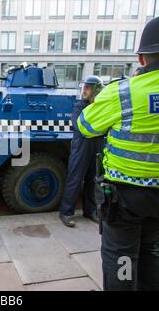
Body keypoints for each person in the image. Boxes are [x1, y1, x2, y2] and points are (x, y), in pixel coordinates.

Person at [77, 14, 159, 291]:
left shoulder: (122, 92)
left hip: (127, 197)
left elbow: (85, 127)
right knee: (151, 248)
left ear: (141, 59)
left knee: (121, 255)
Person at [59, 76, 105, 228]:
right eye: (84, 87)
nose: (85, 90)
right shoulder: (80, 106)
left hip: (97, 146)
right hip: (82, 147)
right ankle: (66, 212)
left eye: (88, 87)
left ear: (96, 90)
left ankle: (90, 211)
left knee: (93, 181)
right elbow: (80, 126)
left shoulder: (101, 106)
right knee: (75, 180)